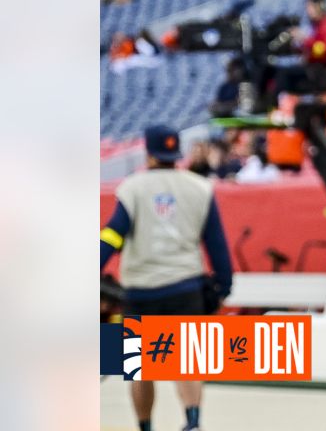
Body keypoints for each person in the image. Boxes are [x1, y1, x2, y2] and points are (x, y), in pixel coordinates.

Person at [100, 125, 233, 431]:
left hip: (141, 291)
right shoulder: (200, 188)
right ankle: (193, 420)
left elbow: (113, 235)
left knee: (139, 368)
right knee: (186, 362)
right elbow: (216, 243)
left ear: (148, 153)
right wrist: (224, 285)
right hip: (185, 287)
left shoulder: (132, 188)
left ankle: (146, 425)